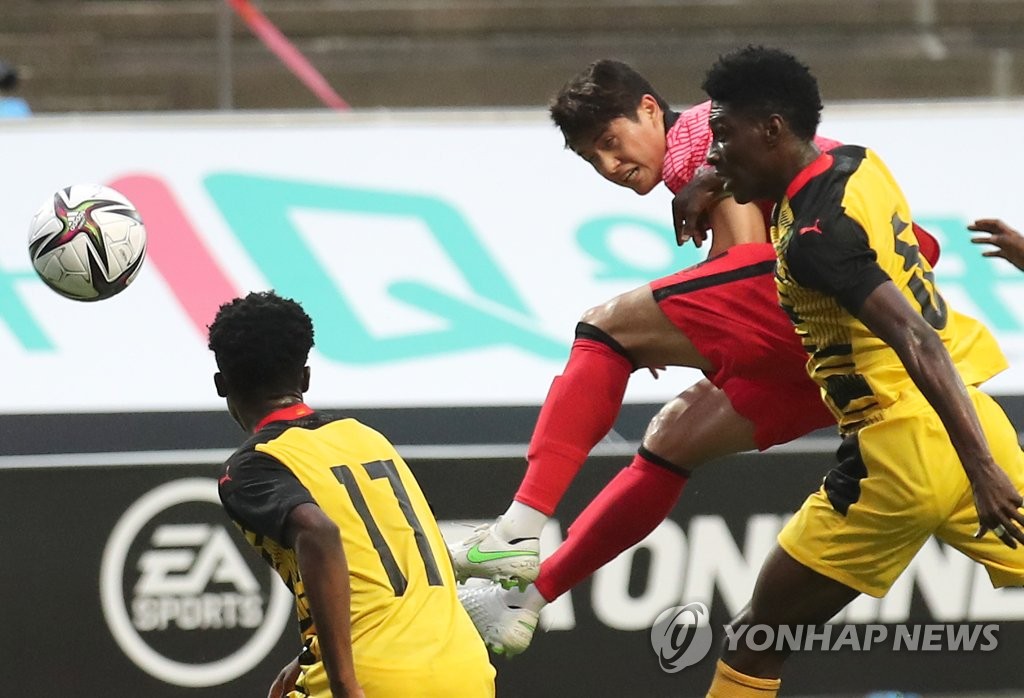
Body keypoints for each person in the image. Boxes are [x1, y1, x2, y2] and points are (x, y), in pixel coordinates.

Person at [451, 59, 939, 656]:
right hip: (851, 356)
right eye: (591, 158)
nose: (609, 165)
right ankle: (525, 600)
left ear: (651, 110)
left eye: (611, 141)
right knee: (672, 439)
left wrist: (659, 324)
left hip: (833, 310)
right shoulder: (728, 150)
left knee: (601, 329)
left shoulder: (704, 137)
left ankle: (516, 531)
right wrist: (676, 323)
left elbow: (749, 256)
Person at [699, 45, 1024, 697]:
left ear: (772, 130)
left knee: (757, 640)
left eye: (723, 136)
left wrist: (983, 471)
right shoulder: (859, 163)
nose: (716, 153)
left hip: (900, 453)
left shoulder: (817, 240)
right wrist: (707, 178)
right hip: (969, 418)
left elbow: (913, 339)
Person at [208, 291, 495, 697]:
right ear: (304, 377)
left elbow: (319, 533)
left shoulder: (254, 465)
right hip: (466, 673)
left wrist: (344, 683)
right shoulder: (368, 439)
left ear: (222, 385)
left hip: (372, 681)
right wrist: (309, 657)